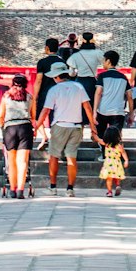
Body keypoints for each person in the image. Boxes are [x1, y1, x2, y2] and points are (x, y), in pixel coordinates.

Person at [35, 60, 98, 196]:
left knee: (54, 156)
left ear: (57, 76)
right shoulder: (79, 87)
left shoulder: (54, 90)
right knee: (71, 157)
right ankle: (70, 189)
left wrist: (36, 127)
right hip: (76, 126)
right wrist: (93, 127)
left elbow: (45, 111)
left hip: (59, 125)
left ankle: (53, 187)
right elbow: (87, 107)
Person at [0, 74, 35, 198]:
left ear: (13, 83)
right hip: (25, 128)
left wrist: (3, 127)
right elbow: (33, 115)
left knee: (11, 161)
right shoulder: (29, 97)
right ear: (25, 84)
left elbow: (0, 115)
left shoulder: (6, 96)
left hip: (10, 129)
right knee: (22, 161)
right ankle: (20, 190)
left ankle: (12, 189)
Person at [93, 51, 133, 157]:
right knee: (116, 135)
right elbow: (129, 96)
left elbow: (98, 93)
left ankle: (104, 154)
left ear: (108, 61)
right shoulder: (123, 77)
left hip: (103, 110)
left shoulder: (102, 76)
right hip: (118, 111)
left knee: (101, 134)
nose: (103, 63)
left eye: (104, 60)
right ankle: (115, 156)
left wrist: (94, 111)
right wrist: (131, 113)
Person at [34, 38, 64, 149]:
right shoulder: (62, 62)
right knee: (56, 117)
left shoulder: (42, 62)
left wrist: (35, 96)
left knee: (39, 117)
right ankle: (54, 139)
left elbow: (39, 80)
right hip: (60, 94)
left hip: (44, 93)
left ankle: (44, 137)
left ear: (46, 48)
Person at [68, 31, 105, 106]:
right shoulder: (98, 53)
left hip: (79, 82)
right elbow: (106, 64)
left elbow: (71, 74)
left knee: (79, 105)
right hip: (92, 82)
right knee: (92, 104)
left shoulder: (75, 56)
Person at [98, 125, 128, 197]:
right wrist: (126, 160)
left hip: (108, 162)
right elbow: (123, 153)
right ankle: (117, 185)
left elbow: (98, 139)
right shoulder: (119, 145)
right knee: (116, 176)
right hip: (117, 162)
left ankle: (109, 191)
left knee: (109, 178)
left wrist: (93, 133)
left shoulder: (106, 144)